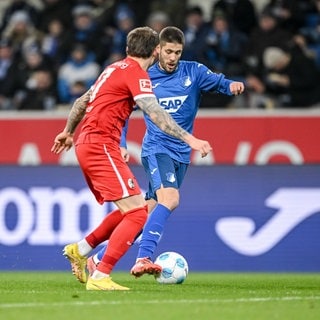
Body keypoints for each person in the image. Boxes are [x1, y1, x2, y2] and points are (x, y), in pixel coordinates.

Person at [51, 26, 212, 291]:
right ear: (156, 50)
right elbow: (155, 112)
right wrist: (190, 139)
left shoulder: (113, 69)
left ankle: (80, 250)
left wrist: (68, 131)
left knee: (136, 207)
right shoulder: (137, 74)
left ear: (128, 49)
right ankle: (100, 276)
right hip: (101, 144)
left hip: (89, 143)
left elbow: (82, 101)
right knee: (138, 215)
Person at [85, 26, 245, 278]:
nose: (172, 57)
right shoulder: (144, 76)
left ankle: (98, 259)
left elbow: (219, 82)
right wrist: (122, 142)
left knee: (145, 212)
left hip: (181, 153)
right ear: (158, 50)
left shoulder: (194, 71)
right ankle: (143, 258)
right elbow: (124, 110)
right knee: (170, 199)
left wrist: (232, 85)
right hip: (157, 148)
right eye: (168, 51)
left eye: (177, 52)